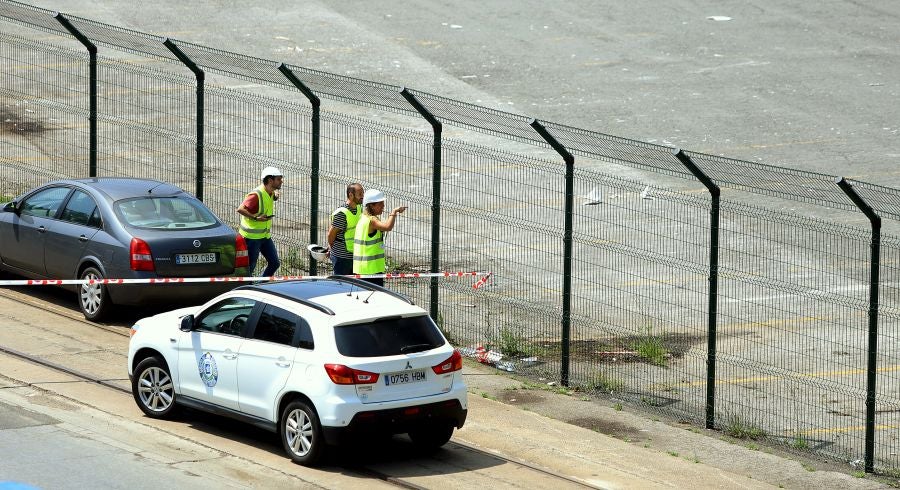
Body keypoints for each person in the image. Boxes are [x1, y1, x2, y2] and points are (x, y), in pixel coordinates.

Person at [353, 189, 406, 287]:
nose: (383, 206)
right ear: (371, 206)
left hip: (362, 269)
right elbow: (387, 227)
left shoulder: (363, 217)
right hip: (370, 270)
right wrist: (394, 212)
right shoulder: (372, 221)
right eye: (380, 204)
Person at [236, 166, 282, 277]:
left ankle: (260, 284)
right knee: (250, 267)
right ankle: (246, 289)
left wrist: (274, 196)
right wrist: (256, 218)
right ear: (270, 180)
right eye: (279, 179)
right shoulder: (256, 195)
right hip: (251, 238)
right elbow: (240, 209)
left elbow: (268, 199)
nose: (281, 181)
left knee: (274, 263)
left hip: (264, 236)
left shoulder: (270, 192)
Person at [326, 182, 364, 276]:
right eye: (360, 194)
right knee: (341, 284)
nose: (363, 196)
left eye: (363, 193)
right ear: (351, 195)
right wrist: (332, 248)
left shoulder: (359, 208)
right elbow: (331, 235)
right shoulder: (342, 213)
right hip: (341, 258)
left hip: (355, 255)